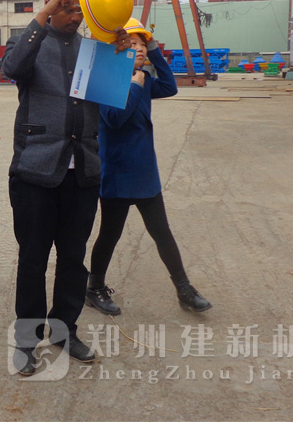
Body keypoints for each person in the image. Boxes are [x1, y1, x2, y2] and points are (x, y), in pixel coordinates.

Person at [2, 0, 131, 375]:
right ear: (50, 4)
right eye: (65, 5)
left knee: (73, 260)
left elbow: (114, 111)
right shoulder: (28, 42)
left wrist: (121, 58)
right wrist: (42, 16)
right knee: (33, 261)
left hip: (83, 173)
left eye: (79, 8)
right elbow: (12, 68)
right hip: (35, 172)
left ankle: (64, 331)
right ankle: (26, 340)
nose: (74, 15)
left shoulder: (95, 50)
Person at [85, 20, 212, 317]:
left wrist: (155, 51)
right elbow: (114, 119)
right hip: (117, 172)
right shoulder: (107, 80)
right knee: (110, 234)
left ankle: (184, 289)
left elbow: (170, 86)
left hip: (144, 171)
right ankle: (94, 288)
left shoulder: (144, 78)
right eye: (133, 44)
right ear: (117, 49)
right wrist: (133, 85)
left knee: (162, 232)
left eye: (143, 45)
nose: (139, 49)